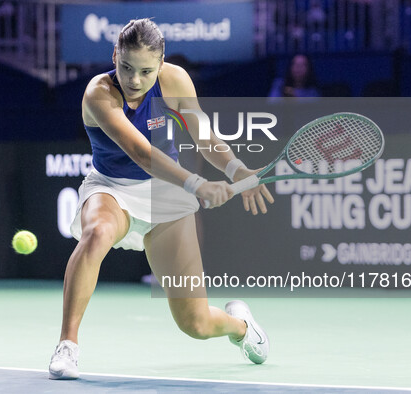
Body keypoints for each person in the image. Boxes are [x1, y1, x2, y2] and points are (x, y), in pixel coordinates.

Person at [49, 19, 274, 380]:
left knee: (195, 323)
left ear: (162, 63)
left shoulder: (175, 80)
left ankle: (241, 326)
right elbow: (141, 153)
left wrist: (235, 169)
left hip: (165, 195)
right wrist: (198, 184)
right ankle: (67, 345)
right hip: (112, 186)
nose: (134, 80)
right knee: (97, 233)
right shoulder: (98, 93)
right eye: (126, 67)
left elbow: (203, 136)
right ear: (114, 56)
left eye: (145, 71)